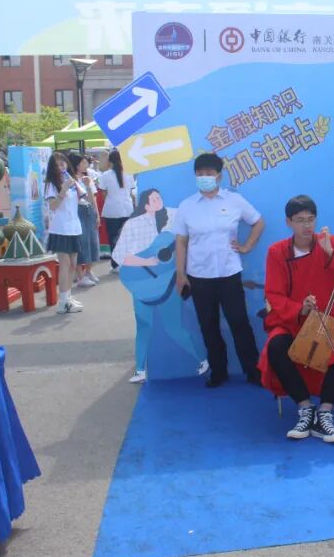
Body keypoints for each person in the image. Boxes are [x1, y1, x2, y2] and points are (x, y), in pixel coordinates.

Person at [258, 195, 334, 444]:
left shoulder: (331, 243)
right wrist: (300, 309)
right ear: (288, 222)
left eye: (311, 219)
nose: (307, 226)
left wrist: (330, 254)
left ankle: (325, 413)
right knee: (277, 345)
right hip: (292, 320)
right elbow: (274, 294)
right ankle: (305, 408)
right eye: (300, 220)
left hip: (329, 318)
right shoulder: (277, 252)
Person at [174, 152, 265, 387]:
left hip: (229, 273)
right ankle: (218, 371)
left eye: (209, 173)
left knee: (239, 323)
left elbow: (258, 222)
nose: (204, 177)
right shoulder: (186, 206)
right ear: (195, 176)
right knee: (208, 325)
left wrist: (246, 246)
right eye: (200, 173)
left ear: (219, 176)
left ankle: (253, 370)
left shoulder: (234, 200)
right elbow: (181, 241)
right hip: (199, 276)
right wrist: (181, 274)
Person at [112, 188, 207, 383]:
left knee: (174, 327)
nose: (158, 201)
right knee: (144, 325)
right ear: (146, 205)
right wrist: (145, 262)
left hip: (167, 283)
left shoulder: (174, 216)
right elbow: (118, 255)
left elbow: (187, 236)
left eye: (159, 197)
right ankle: (140, 370)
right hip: (141, 281)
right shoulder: (133, 224)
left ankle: (203, 360)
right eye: (153, 199)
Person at [43, 152, 84, 314]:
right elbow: (53, 206)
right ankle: (63, 302)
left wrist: (83, 187)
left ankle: (68, 297)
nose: (61, 167)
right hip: (60, 228)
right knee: (65, 263)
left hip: (74, 227)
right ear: (52, 168)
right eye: (58, 165)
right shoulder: (51, 184)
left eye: (63, 163)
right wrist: (63, 190)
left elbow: (81, 199)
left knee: (73, 263)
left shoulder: (72, 180)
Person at [98, 148, 135, 273]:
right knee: (126, 237)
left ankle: (116, 264)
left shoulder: (105, 175)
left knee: (113, 238)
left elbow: (104, 194)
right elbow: (130, 192)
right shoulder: (129, 174)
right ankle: (127, 262)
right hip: (127, 209)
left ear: (110, 161)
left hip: (112, 209)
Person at [67, 152, 101, 289]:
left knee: (92, 241)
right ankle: (80, 274)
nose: (86, 165)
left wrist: (97, 213)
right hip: (77, 211)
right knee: (81, 242)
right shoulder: (69, 179)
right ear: (76, 164)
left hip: (88, 210)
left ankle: (88, 271)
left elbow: (92, 198)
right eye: (83, 162)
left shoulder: (88, 178)